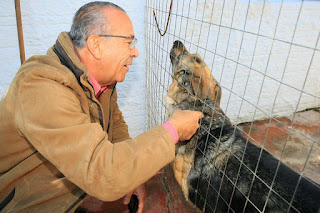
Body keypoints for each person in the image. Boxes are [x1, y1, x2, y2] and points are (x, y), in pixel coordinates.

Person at [0, 1, 203, 213]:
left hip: (66, 191)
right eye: (129, 42)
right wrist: (174, 130)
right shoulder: (41, 87)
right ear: (96, 45)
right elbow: (105, 175)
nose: (135, 52)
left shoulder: (98, 80)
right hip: (25, 204)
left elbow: (114, 124)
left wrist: (132, 178)